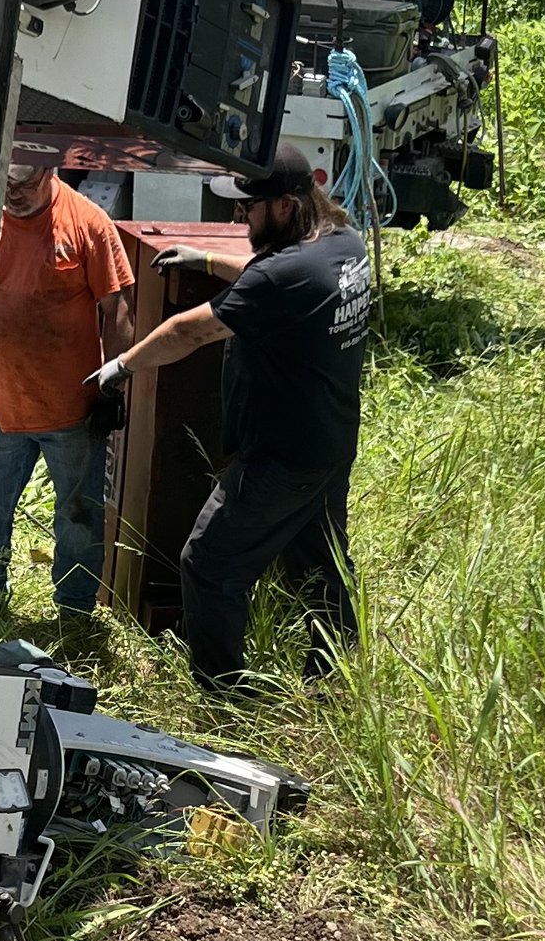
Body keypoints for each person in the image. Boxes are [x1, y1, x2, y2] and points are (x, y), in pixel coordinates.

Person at [86, 143, 372, 686]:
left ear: (285, 206)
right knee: (320, 565)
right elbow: (276, 278)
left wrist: (120, 366)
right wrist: (207, 260)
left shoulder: (283, 275)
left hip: (278, 458)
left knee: (209, 565)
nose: (240, 215)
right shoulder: (342, 245)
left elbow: (188, 331)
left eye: (249, 207)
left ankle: (222, 693)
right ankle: (334, 678)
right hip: (330, 442)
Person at [0, 142, 134, 615]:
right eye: (6, 181)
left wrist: (112, 385)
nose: (12, 193)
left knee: (80, 517)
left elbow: (118, 309)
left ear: (51, 171)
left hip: (71, 411)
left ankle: (75, 611)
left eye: (23, 183)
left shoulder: (87, 223)